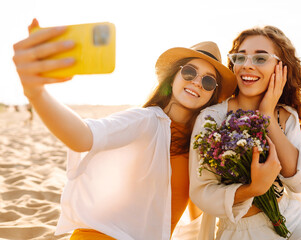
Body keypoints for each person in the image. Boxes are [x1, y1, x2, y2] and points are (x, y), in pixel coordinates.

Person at [12, 19, 239, 239]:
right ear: (174, 76)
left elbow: (196, 213)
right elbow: (83, 136)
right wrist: (36, 93)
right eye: (190, 72)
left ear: (212, 94)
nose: (197, 82)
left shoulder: (200, 143)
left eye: (208, 81)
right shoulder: (146, 120)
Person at [189, 26, 301, 239]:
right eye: (240, 58)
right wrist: (253, 189)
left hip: (291, 216)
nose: (247, 66)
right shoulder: (211, 119)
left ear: (280, 68)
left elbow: (298, 182)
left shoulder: (284, 115)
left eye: (260, 59)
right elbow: (202, 193)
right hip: (241, 230)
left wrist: (267, 115)